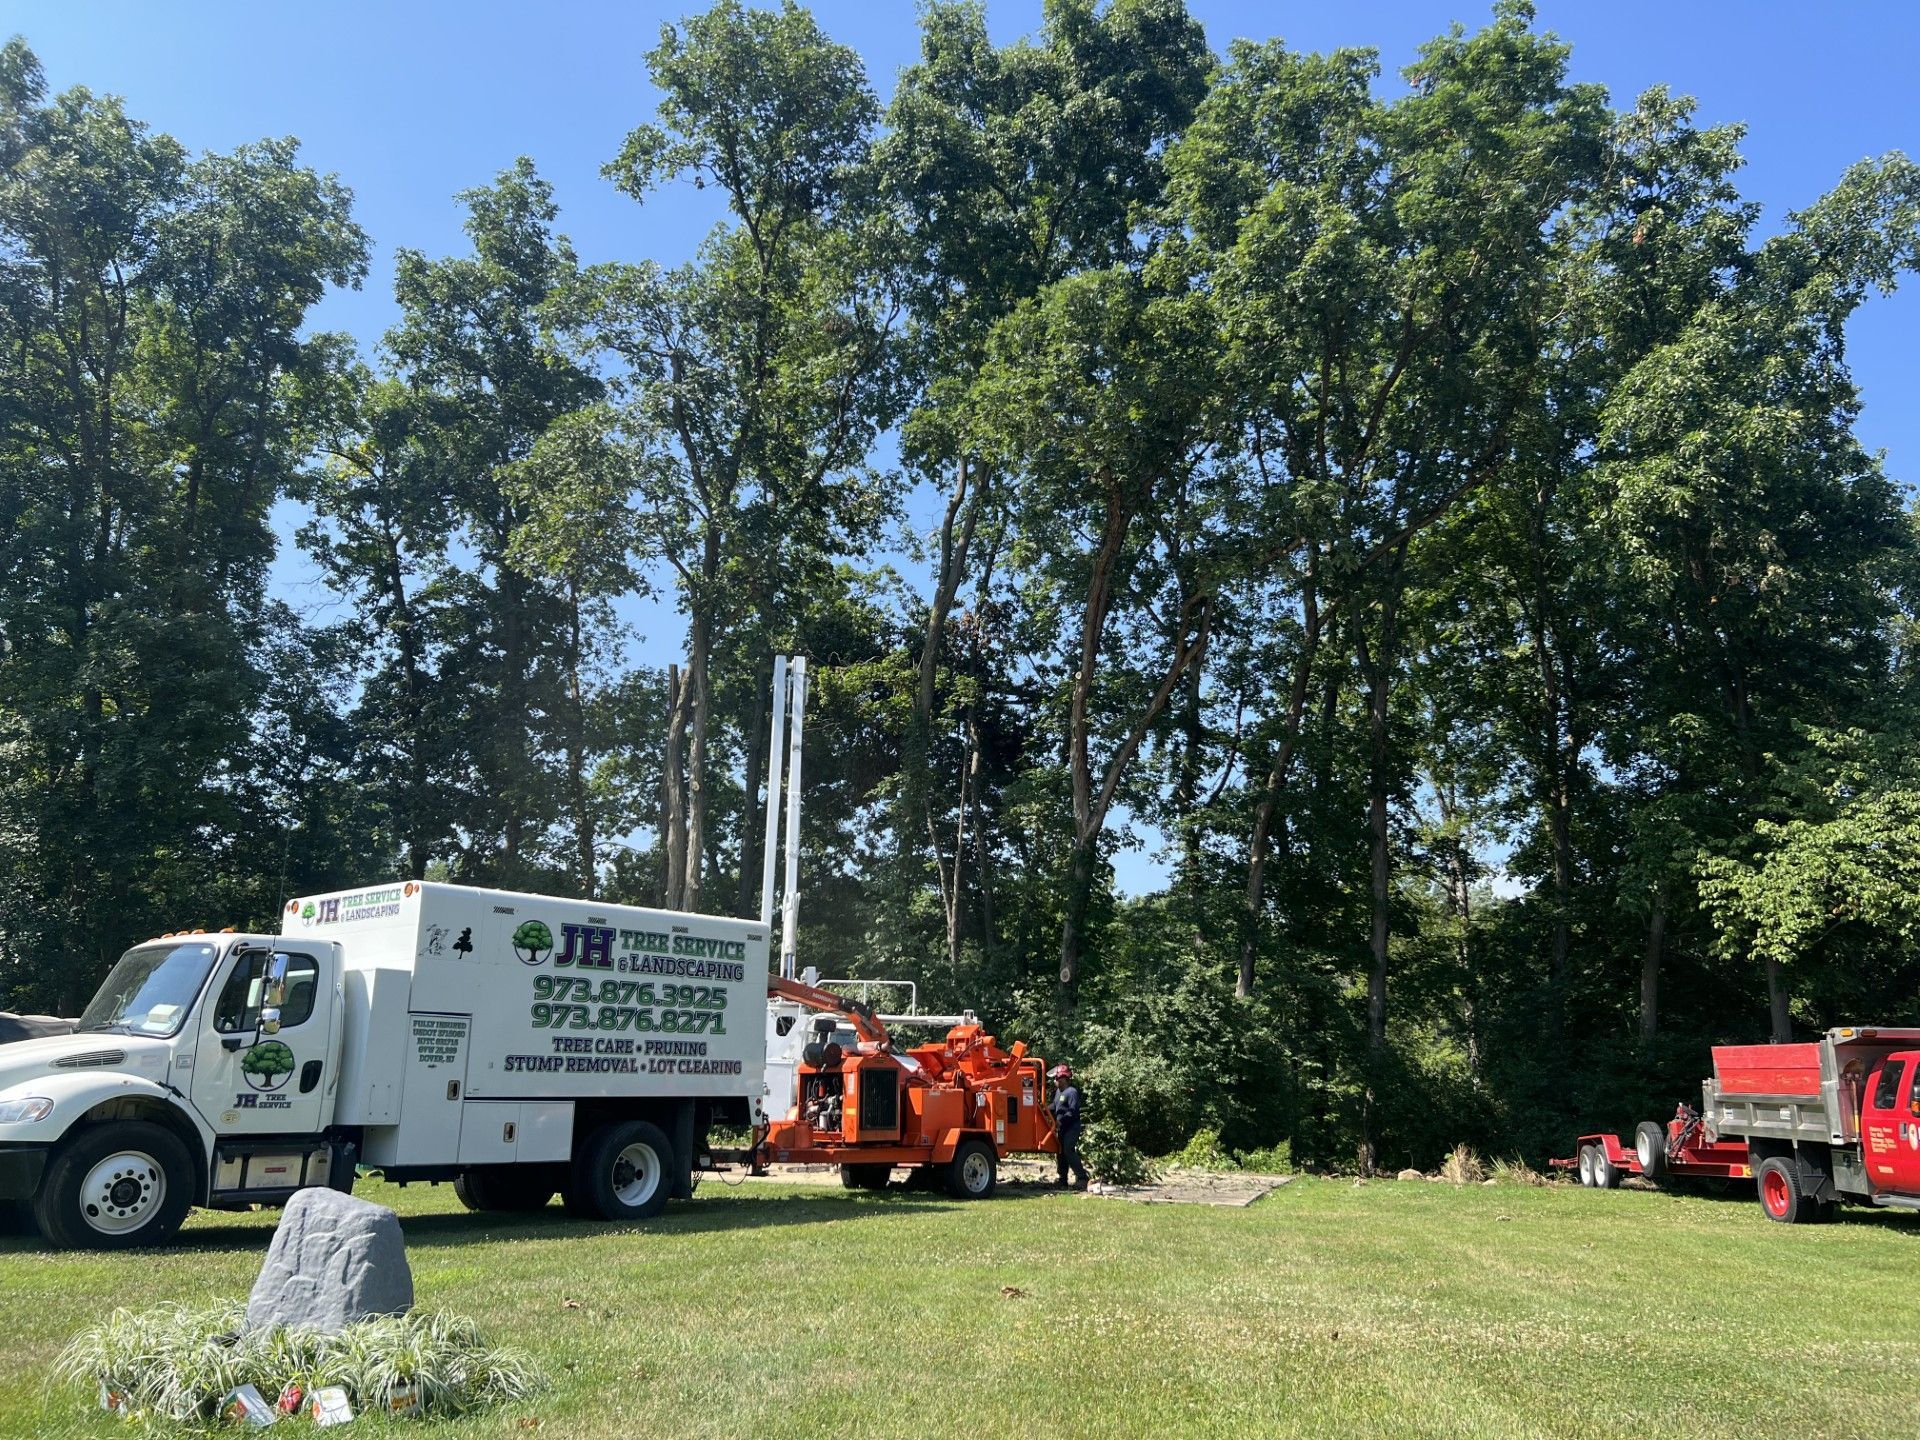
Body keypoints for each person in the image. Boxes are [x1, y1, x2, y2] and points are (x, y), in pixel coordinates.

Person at [1049, 1063, 1089, 1190]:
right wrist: (1041, 1109)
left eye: (1056, 1079)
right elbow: (1054, 1107)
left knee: (1068, 1150)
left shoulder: (1072, 1092)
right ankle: (1062, 1180)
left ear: (1063, 1079)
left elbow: (1073, 1111)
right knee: (1060, 1152)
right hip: (1061, 1128)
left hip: (1072, 1127)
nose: (1055, 1081)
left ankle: (1082, 1178)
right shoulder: (1057, 1093)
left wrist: (1062, 1120)